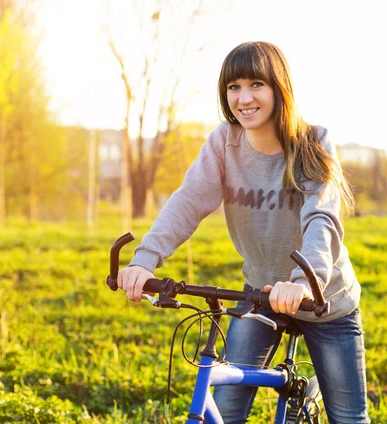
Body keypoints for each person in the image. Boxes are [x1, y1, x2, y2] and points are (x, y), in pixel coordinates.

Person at [117, 41, 370, 424]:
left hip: (322, 299)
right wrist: (145, 260)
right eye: (233, 87)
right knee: (227, 408)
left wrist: (304, 281)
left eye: (256, 84)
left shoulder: (312, 143)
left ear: (278, 89)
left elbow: (322, 220)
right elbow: (188, 201)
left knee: (349, 419)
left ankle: (312, 393)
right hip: (260, 295)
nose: (244, 97)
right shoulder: (224, 143)